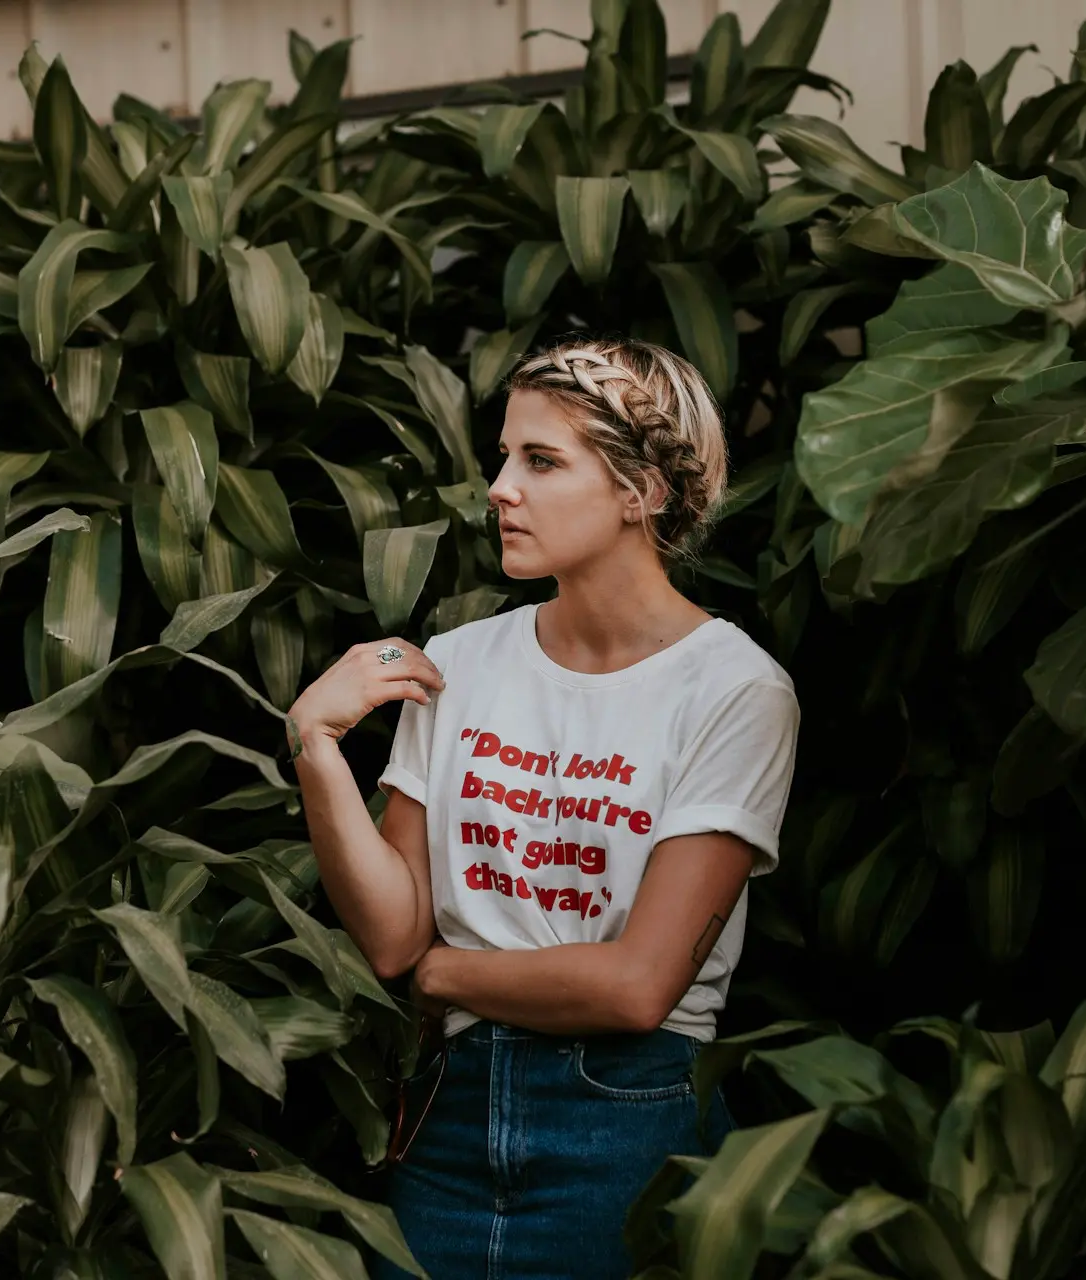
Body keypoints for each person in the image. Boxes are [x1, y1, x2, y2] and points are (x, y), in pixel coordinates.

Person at [284, 338, 801, 1279]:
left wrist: (444, 978)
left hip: (629, 1124)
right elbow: (394, 939)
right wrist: (317, 748)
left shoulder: (733, 691)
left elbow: (638, 988)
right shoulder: (465, 660)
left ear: (640, 489)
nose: (498, 488)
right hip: (448, 1116)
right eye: (504, 456)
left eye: (541, 461)